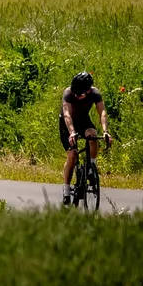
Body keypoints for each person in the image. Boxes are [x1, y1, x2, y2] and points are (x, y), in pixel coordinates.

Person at [60, 71, 111, 204]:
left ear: (88, 91)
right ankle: (66, 189)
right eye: (75, 93)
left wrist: (105, 131)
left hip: (83, 121)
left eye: (80, 94)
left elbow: (102, 112)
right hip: (67, 124)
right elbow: (67, 115)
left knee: (93, 135)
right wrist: (72, 132)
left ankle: (91, 167)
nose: (76, 96)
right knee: (72, 155)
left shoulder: (94, 93)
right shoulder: (68, 93)